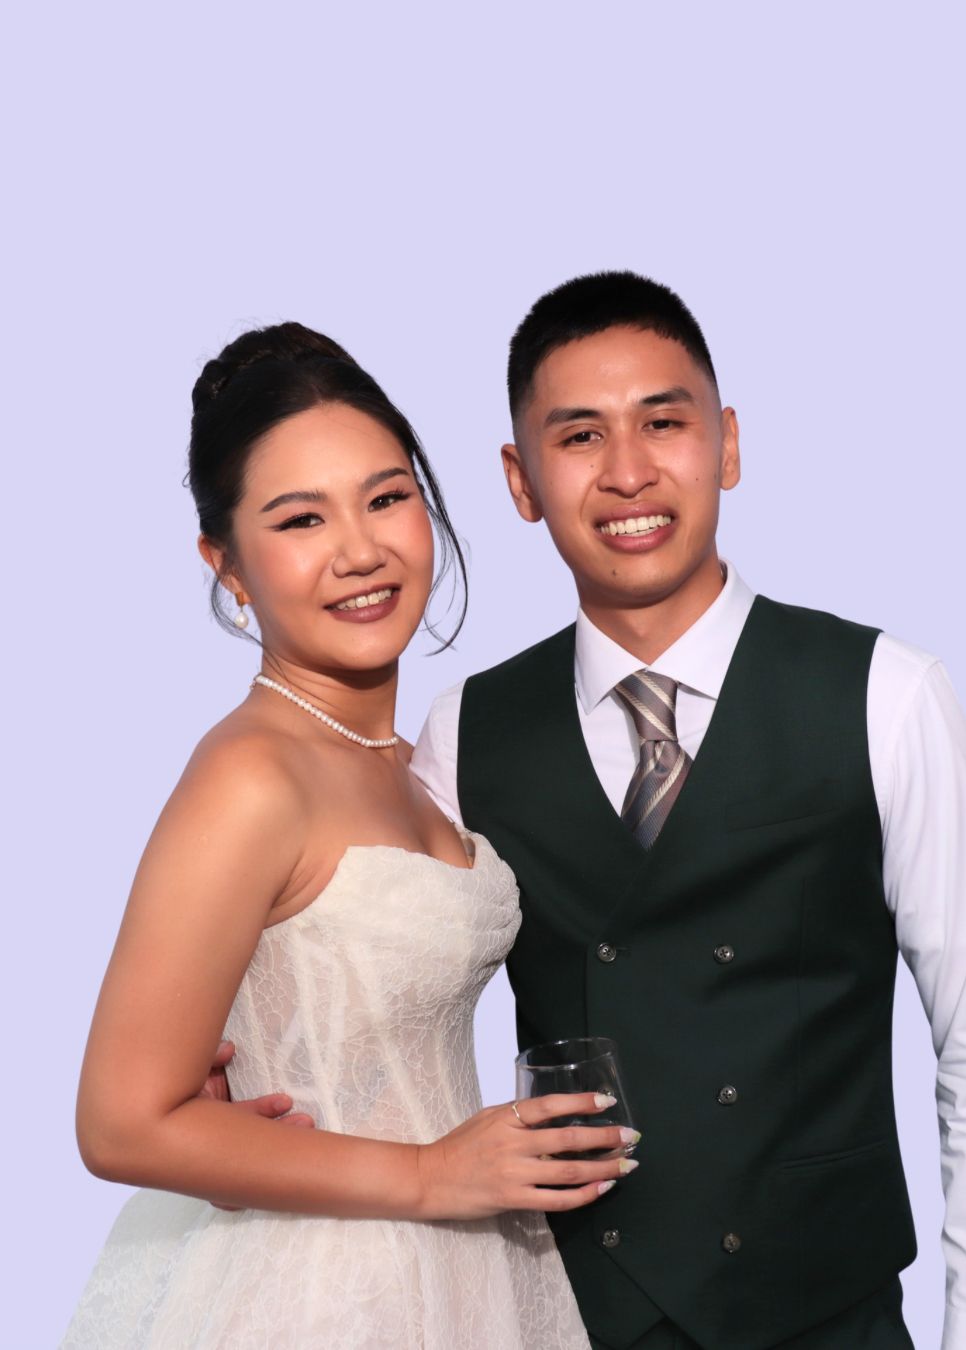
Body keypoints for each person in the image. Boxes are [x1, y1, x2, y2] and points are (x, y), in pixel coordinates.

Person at [408, 272, 966, 1349]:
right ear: (521, 481)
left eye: (664, 422)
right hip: (573, 1322)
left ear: (730, 444)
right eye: (580, 436)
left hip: (831, 1322)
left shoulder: (888, 695)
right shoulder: (466, 731)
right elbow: (391, 982)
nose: (628, 472)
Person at [64, 322, 637, 1349]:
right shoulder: (251, 775)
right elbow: (118, 1122)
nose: (361, 551)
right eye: (300, 519)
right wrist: (429, 1172)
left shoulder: (417, 761)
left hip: (470, 1271)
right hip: (329, 1292)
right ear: (228, 566)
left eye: (386, 497)